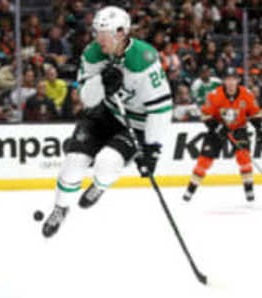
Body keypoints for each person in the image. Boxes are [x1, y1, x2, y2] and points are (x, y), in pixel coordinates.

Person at [42, 6, 172, 237]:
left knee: (106, 163)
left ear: (121, 33)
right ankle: (61, 208)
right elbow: (87, 99)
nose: (98, 38)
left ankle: (99, 186)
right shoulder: (93, 54)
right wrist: (102, 81)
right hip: (106, 114)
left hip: (138, 123)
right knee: (73, 164)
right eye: (97, 32)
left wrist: (152, 150)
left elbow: (161, 107)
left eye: (105, 33)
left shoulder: (144, 58)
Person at [183, 68, 262, 202]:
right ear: (224, 81)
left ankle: (249, 189)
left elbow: (255, 113)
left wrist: (260, 128)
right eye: (228, 79)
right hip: (217, 129)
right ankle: (190, 190)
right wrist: (216, 126)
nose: (231, 82)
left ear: (238, 80)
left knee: (243, 157)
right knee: (204, 160)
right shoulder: (214, 95)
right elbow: (205, 114)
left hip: (239, 128)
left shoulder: (247, 94)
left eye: (233, 79)